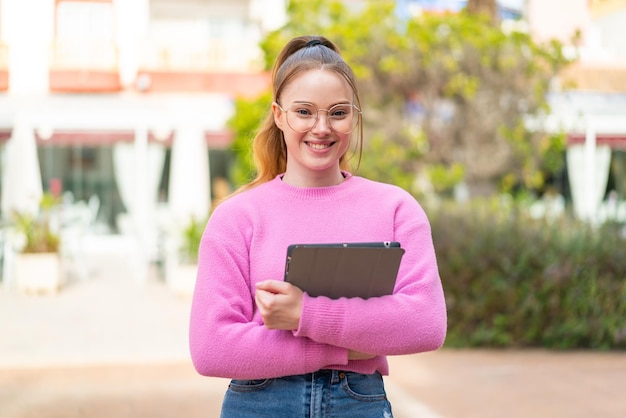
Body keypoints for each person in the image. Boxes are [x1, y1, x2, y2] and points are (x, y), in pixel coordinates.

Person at [189, 35, 447, 417]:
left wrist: (304, 315)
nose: (322, 127)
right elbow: (212, 348)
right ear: (279, 115)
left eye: (338, 113)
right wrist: (347, 346)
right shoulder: (237, 218)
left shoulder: (395, 209)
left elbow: (425, 323)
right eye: (304, 111)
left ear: (354, 116)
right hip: (260, 405)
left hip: (358, 404)